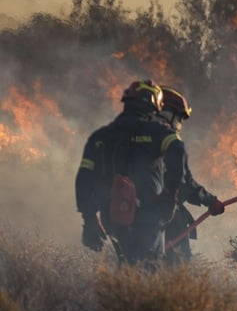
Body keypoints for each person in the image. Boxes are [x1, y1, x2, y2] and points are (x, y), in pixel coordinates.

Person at [75, 79, 184, 266]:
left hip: (113, 215)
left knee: (126, 265)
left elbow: (84, 178)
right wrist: (169, 198)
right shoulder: (159, 133)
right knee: (148, 268)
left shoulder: (101, 136)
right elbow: (178, 155)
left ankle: (123, 294)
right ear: (154, 104)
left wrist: (89, 219)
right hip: (149, 215)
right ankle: (138, 294)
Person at [155, 85, 225, 265]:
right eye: (178, 118)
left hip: (127, 214)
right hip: (164, 212)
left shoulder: (130, 136)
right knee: (177, 264)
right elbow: (184, 182)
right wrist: (210, 200)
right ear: (167, 113)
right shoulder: (168, 140)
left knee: (134, 266)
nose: (178, 123)